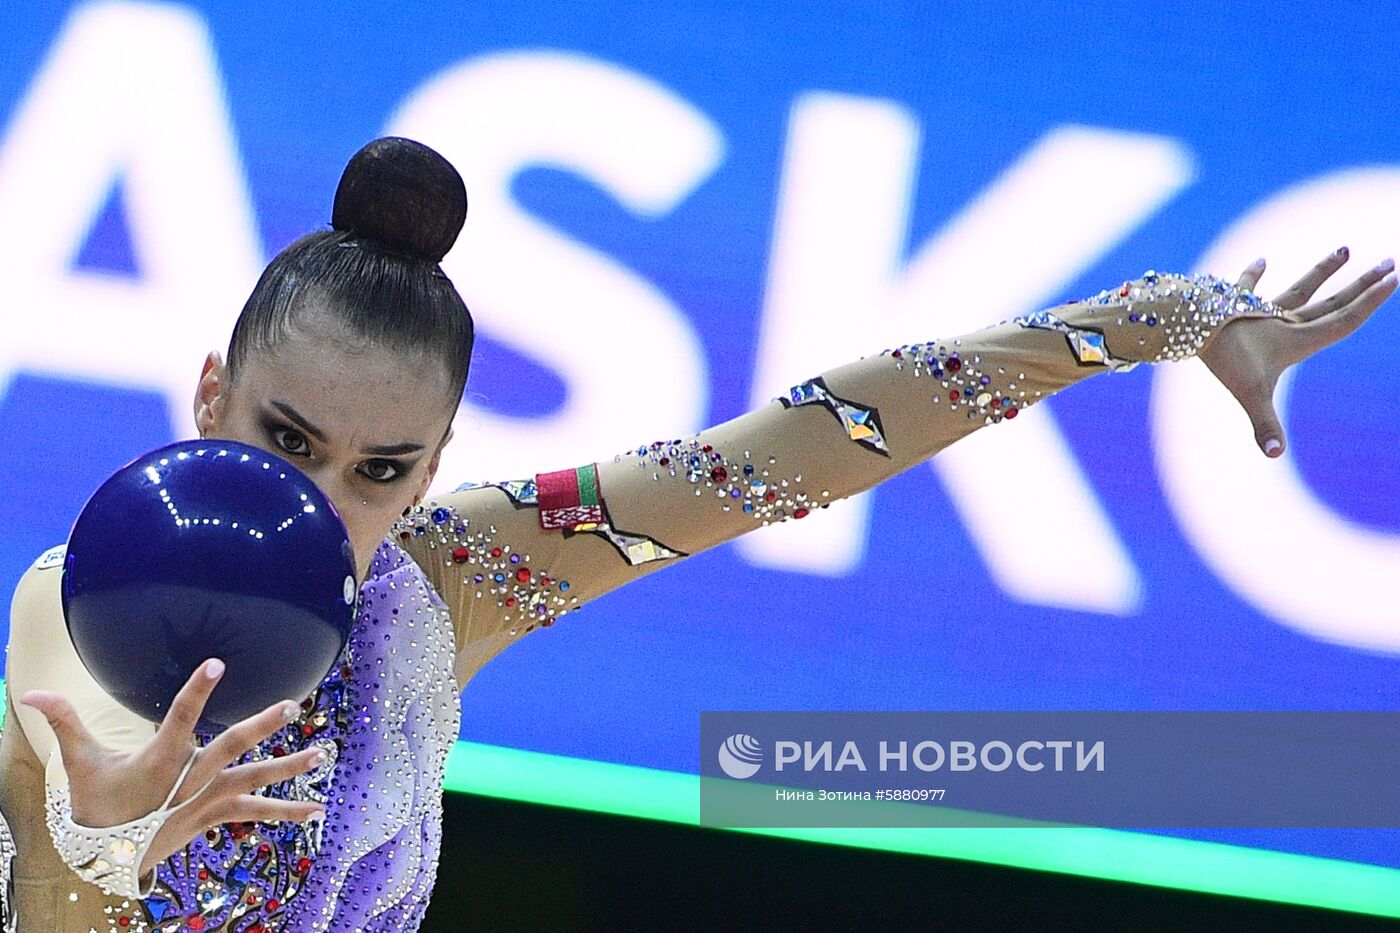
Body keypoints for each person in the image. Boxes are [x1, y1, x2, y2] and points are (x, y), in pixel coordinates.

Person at [0, 136, 1392, 932]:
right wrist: (92, 845)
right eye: (286, 437)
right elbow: (64, 868)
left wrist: (1152, 318)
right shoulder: (89, 600)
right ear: (210, 394)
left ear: (433, 470)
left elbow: (787, 452)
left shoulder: (448, 584)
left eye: (381, 469)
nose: (321, 499)